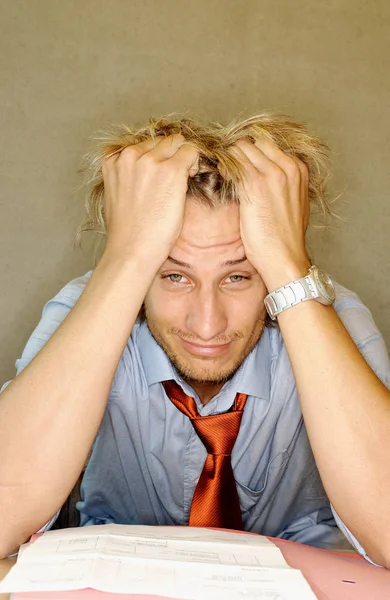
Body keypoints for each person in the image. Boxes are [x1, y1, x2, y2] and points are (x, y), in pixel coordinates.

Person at [1, 113, 390, 566]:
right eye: (174, 275)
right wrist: (127, 258)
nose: (207, 326)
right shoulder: (91, 305)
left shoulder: (330, 313)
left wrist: (288, 268)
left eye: (239, 275)